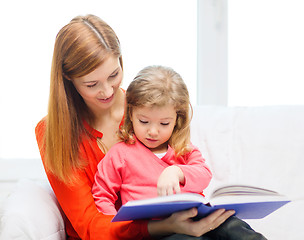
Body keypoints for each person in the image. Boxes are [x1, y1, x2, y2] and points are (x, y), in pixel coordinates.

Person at [35, 14, 245, 240]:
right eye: (92, 84)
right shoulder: (53, 133)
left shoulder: (148, 110)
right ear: (68, 79)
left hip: (180, 221)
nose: (107, 91)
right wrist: (165, 226)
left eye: (114, 75)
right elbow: (90, 226)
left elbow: (185, 158)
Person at [92, 65, 267, 240]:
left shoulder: (182, 148)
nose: (153, 131)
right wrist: (119, 231)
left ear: (177, 119)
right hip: (159, 232)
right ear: (130, 114)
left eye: (164, 124)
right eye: (144, 121)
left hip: (196, 217)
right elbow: (102, 195)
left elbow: (204, 174)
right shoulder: (120, 154)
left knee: (232, 225)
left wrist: (177, 171)